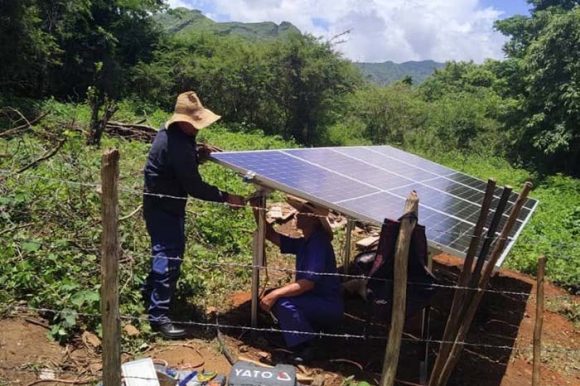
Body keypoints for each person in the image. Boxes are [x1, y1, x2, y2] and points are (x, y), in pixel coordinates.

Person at [142, 91, 245, 339]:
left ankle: (148, 295)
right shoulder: (175, 142)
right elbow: (193, 185)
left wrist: (199, 156)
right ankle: (159, 318)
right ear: (183, 120)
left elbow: (179, 167)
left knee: (165, 253)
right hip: (164, 208)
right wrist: (225, 196)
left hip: (164, 204)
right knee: (168, 257)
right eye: (196, 123)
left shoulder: (177, 135)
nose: (198, 128)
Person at [251, 196, 343, 363]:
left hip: (326, 305)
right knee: (275, 295)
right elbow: (271, 235)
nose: (296, 215)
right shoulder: (305, 242)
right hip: (314, 300)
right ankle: (298, 330)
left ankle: (306, 346)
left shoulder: (318, 244)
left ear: (314, 219)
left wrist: (276, 295)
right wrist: (257, 210)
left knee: (283, 303)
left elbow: (308, 283)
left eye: (303, 213)